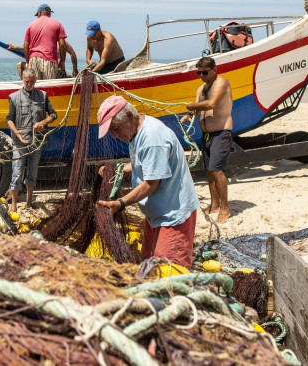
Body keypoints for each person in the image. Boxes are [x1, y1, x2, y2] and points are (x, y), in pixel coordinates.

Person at [97, 96, 199, 268]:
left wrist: (120, 203)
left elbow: (151, 184)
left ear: (128, 115)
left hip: (172, 216)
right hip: (155, 216)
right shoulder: (135, 131)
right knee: (147, 263)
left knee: (167, 271)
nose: (114, 136)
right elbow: (145, 161)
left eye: (115, 129)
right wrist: (120, 169)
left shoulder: (152, 137)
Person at [181, 56, 234, 223]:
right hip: (207, 135)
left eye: (204, 72)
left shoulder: (222, 83)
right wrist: (189, 115)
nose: (201, 75)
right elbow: (197, 108)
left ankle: (225, 208)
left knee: (217, 170)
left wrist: (191, 106)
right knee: (210, 171)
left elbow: (212, 104)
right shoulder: (200, 89)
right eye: (199, 72)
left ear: (213, 70)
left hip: (221, 132)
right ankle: (214, 205)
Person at [6, 68, 57, 212]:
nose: (29, 84)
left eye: (32, 81)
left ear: (35, 80)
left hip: (37, 141)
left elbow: (54, 114)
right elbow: (9, 119)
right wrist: (16, 132)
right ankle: (14, 204)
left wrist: (44, 122)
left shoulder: (43, 95)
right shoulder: (14, 97)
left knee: (32, 172)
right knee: (17, 171)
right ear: (22, 80)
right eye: (27, 81)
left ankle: (29, 202)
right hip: (19, 141)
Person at [7, 4, 68, 80]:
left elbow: (26, 45)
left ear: (39, 13)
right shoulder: (57, 24)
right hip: (49, 60)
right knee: (48, 86)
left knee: (35, 87)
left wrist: (28, 61)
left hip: (34, 59)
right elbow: (62, 44)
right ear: (49, 13)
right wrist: (62, 61)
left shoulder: (31, 25)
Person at [14, 39, 79, 79]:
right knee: (19, 65)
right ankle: (26, 85)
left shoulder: (61, 41)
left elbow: (72, 53)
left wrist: (75, 69)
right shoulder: (42, 40)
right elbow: (27, 47)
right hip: (42, 68)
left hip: (58, 72)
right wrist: (14, 47)